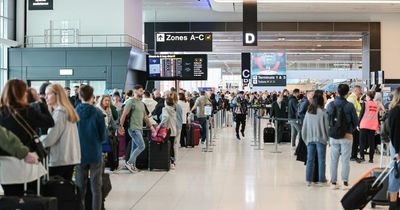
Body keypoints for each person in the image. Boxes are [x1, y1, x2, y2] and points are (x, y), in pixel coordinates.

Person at [0, 79, 54, 196]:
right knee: (29, 199)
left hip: (4, 165)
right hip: (26, 162)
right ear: (20, 93)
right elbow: (49, 122)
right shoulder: (28, 111)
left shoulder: (1, 112)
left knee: (9, 199)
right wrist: (39, 101)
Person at [75, 85, 107, 210]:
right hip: (95, 153)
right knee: (96, 188)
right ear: (92, 97)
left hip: (79, 153)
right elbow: (103, 136)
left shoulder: (75, 111)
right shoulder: (98, 113)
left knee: (80, 187)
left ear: (79, 96)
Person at [41, 84, 81, 181]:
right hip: (70, 158)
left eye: (48, 94)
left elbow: (51, 138)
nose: (45, 97)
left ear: (57, 95)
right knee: (65, 190)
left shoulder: (60, 113)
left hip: (60, 159)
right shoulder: (67, 110)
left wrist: (38, 141)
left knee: (56, 191)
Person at [326, 84, 358, 190]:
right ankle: (345, 182)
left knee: (333, 160)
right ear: (347, 93)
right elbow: (355, 121)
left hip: (334, 136)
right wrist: (349, 130)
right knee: (345, 160)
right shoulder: (350, 105)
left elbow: (327, 120)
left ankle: (334, 182)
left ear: (337, 92)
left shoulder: (331, 105)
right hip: (347, 135)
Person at [119, 84, 152, 173]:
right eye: (141, 91)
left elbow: (145, 117)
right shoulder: (130, 102)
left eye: (143, 91)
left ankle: (132, 166)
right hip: (133, 128)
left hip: (140, 128)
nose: (142, 92)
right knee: (141, 146)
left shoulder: (141, 103)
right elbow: (124, 114)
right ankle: (129, 162)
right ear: (135, 91)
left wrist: (151, 126)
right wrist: (121, 126)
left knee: (134, 148)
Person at [301, 91, 329, 187]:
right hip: (321, 139)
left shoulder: (309, 112)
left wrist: (305, 138)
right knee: (321, 160)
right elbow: (326, 127)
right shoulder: (324, 112)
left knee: (310, 160)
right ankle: (322, 180)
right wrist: (327, 139)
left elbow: (304, 127)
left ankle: (308, 180)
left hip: (310, 139)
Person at [387, 87, 400, 210]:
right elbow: (395, 133)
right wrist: (397, 152)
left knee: (396, 174)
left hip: (396, 145)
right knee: (395, 175)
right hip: (397, 146)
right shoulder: (396, 111)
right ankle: (393, 204)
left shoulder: (394, 110)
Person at [358, 91, 379, 163]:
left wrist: (358, 124)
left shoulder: (365, 103)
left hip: (364, 124)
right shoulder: (376, 104)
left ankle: (362, 157)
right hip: (373, 125)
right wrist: (377, 126)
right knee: (371, 142)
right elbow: (377, 116)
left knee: (362, 141)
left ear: (368, 96)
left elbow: (361, 114)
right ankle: (371, 159)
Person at [159, 96, 178, 169]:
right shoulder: (173, 109)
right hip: (173, 131)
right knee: (172, 147)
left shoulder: (165, 109)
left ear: (166, 103)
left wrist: (160, 125)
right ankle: (173, 162)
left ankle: (166, 161)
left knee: (166, 146)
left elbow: (165, 117)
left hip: (167, 131)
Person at [347, 85, 363, 163]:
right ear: (356, 90)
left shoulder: (355, 99)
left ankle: (354, 155)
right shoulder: (351, 99)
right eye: (360, 91)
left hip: (356, 122)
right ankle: (353, 156)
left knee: (356, 140)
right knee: (355, 140)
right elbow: (350, 112)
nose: (361, 92)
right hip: (353, 123)